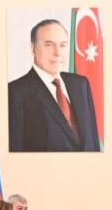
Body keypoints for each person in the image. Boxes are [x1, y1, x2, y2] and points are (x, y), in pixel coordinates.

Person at [8, 19, 101, 152]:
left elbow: (93, 142)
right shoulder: (15, 92)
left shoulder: (81, 84)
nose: (57, 53)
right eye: (49, 45)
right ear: (33, 48)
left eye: (62, 45)